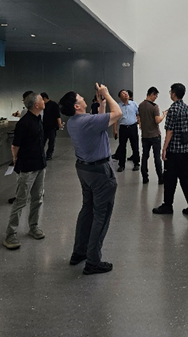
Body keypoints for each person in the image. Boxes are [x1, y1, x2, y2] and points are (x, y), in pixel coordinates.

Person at [58, 84, 122, 275]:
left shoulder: (74, 122)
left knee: (87, 210)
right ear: (76, 106)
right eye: (80, 97)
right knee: (101, 214)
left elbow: (100, 121)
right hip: (100, 172)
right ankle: (93, 261)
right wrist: (107, 94)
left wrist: (101, 103)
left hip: (84, 169)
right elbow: (118, 113)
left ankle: (79, 252)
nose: (84, 98)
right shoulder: (87, 121)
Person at [3, 92, 46, 250]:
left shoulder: (38, 119)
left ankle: (33, 227)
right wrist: (15, 160)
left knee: (37, 198)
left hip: (40, 165)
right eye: (41, 100)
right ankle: (10, 235)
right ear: (36, 105)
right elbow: (15, 145)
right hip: (27, 167)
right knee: (21, 201)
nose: (44, 101)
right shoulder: (24, 122)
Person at [153, 83, 188, 217]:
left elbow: (170, 131)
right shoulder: (187, 109)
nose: (170, 94)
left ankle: (168, 205)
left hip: (173, 151)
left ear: (174, 93)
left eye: (170, 92)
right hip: (184, 151)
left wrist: (164, 148)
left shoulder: (173, 109)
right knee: (186, 178)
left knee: (169, 179)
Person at [8, 89, 33, 204]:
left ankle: (21, 197)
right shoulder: (38, 114)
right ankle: (36, 193)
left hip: (25, 151)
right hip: (34, 150)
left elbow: (17, 143)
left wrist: (15, 157)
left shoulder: (26, 114)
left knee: (23, 176)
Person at [138, 87, 167, 184]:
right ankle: (161, 178)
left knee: (145, 156)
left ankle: (145, 177)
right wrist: (163, 115)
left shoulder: (140, 105)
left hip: (145, 136)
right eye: (155, 96)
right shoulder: (155, 107)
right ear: (152, 94)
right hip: (155, 136)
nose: (156, 98)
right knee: (157, 157)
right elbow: (157, 120)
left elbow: (139, 118)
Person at [113, 89, 140, 172]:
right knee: (122, 147)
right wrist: (115, 130)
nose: (126, 94)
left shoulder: (134, 104)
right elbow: (115, 119)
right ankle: (121, 165)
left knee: (135, 146)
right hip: (123, 128)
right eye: (123, 93)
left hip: (133, 127)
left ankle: (136, 163)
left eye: (126, 92)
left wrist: (139, 122)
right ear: (120, 97)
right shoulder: (118, 106)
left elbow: (138, 114)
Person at [40, 92, 63, 160]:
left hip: (52, 126)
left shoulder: (53, 104)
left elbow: (58, 115)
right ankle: (41, 154)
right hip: (44, 126)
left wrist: (59, 124)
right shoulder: (42, 105)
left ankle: (49, 155)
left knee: (51, 142)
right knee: (42, 141)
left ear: (44, 98)